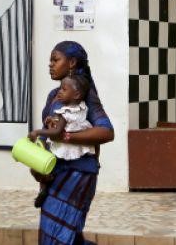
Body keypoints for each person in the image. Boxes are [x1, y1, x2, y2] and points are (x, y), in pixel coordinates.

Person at [33, 41, 114, 245]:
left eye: (55, 59)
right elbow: (47, 137)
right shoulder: (53, 96)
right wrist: (36, 167)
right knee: (60, 236)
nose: (50, 64)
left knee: (58, 238)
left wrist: (67, 137)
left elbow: (106, 131)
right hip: (54, 175)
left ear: (71, 63)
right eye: (50, 60)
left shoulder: (85, 97)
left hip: (78, 175)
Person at [27, 74, 93, 209]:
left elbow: (56, 132)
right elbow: (68, 124)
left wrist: (38, 132)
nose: (59, 92)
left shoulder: (64, 111)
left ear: (76, 95)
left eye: (63, 89)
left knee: (36, 167)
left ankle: (44, 185)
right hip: (79, 148)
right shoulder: (83, 107)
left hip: (62, 146)